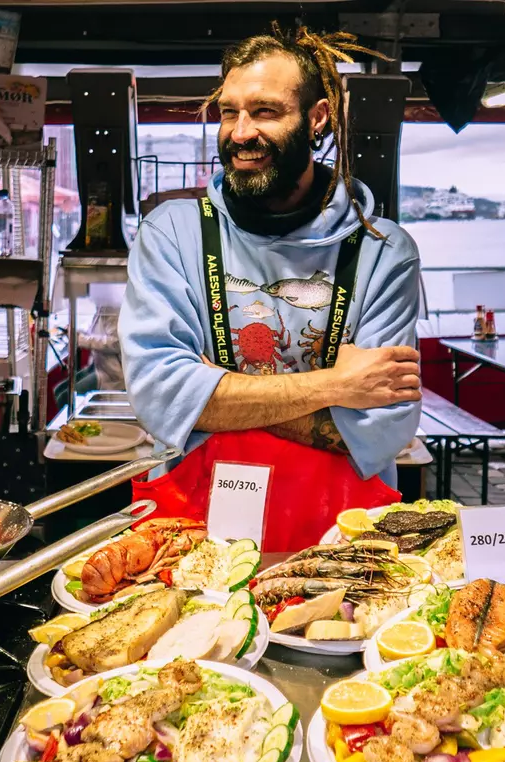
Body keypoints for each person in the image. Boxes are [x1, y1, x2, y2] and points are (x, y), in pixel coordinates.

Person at [120, 27, 422, 551]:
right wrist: (336, 387)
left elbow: (385, 423)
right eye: (228, 112)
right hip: (197, 536)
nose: (239, 132)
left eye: (264, 111)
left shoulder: (384, 250)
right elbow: (158, 395)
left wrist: (215, 394)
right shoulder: (171, 232)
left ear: (317, 118)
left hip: (344, 538)